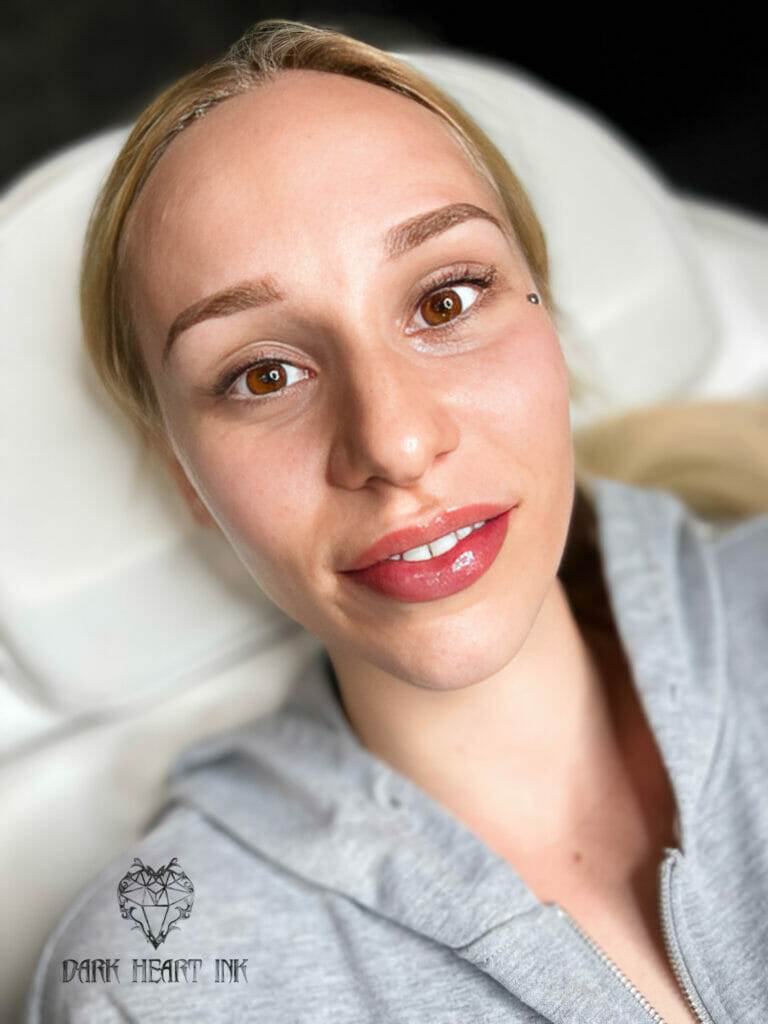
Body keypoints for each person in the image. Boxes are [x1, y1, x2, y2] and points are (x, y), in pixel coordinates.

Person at [24, 18, 768, 1024]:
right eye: (262, 373)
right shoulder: (161, 984)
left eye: (448, 299)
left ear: (546, 322)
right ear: (186, 476)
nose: (396, 442)